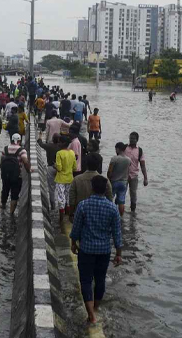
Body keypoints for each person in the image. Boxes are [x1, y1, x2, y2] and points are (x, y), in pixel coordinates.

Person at [69, 175, 123, 325]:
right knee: (100, 280)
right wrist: (118, 254)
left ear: (92, 188)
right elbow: (117, 233)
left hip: (86, 249)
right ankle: (96, 308)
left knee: (86, 280)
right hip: (104, 251)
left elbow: (76, 228)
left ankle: (91, 315)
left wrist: (73, 243)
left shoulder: (83, 205)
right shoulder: (113, 208)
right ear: (106, 189)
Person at [1, 133, 30, 215]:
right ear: (20, 140)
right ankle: (11, 213)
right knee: (14, 194)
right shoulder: (22, 150)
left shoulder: (5, 149)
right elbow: (25, 161)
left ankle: (3, 206)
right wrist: (29, 171)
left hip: (5, 175)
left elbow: (2, 161)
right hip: (17, 176)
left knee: (5, 190)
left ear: (11, 140)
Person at [55, 136, 77, 226]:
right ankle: (67, 217)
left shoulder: (59, 153)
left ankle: (61, 219)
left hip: (61, 179)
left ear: (62, 143)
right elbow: (75, 168)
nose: (58, 143)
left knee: (61, 198)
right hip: (70, 178)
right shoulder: (72, 153)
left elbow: (59, 168)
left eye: (59, 142)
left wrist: (55, 166)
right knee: (68, 197)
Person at [124, 132, 148, 212]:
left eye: (133, 138)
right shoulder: (124, 148)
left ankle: (133, 212)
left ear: (137, 140)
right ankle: (120, 212)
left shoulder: (139, 150)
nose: (131, 140)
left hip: (134, 176)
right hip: (123, 175)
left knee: (133, 194)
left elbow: (143, 166)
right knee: (121, 193)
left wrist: (145, 178)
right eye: (130, 138)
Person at [37, 131, 60, 210]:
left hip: (51, 168)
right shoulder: (61, 147)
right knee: (61, 188)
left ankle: (53, 206)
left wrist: (40, 136)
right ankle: (62, 207)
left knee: (51, 188)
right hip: (60, 169)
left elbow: (40, 144)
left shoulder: (49, 146)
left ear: (52, 139)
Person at [107, 142, 131, 216]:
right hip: (123, 183)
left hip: (114, 182)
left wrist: (108, 179)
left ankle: (109, 215)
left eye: (116, 149)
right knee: (121, 202)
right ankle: (120, 217)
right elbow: (128, 172)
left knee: (110, 199)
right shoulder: (128, 160)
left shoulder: (114, 158)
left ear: (118, 149)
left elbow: (110, 171)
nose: (115, 150)